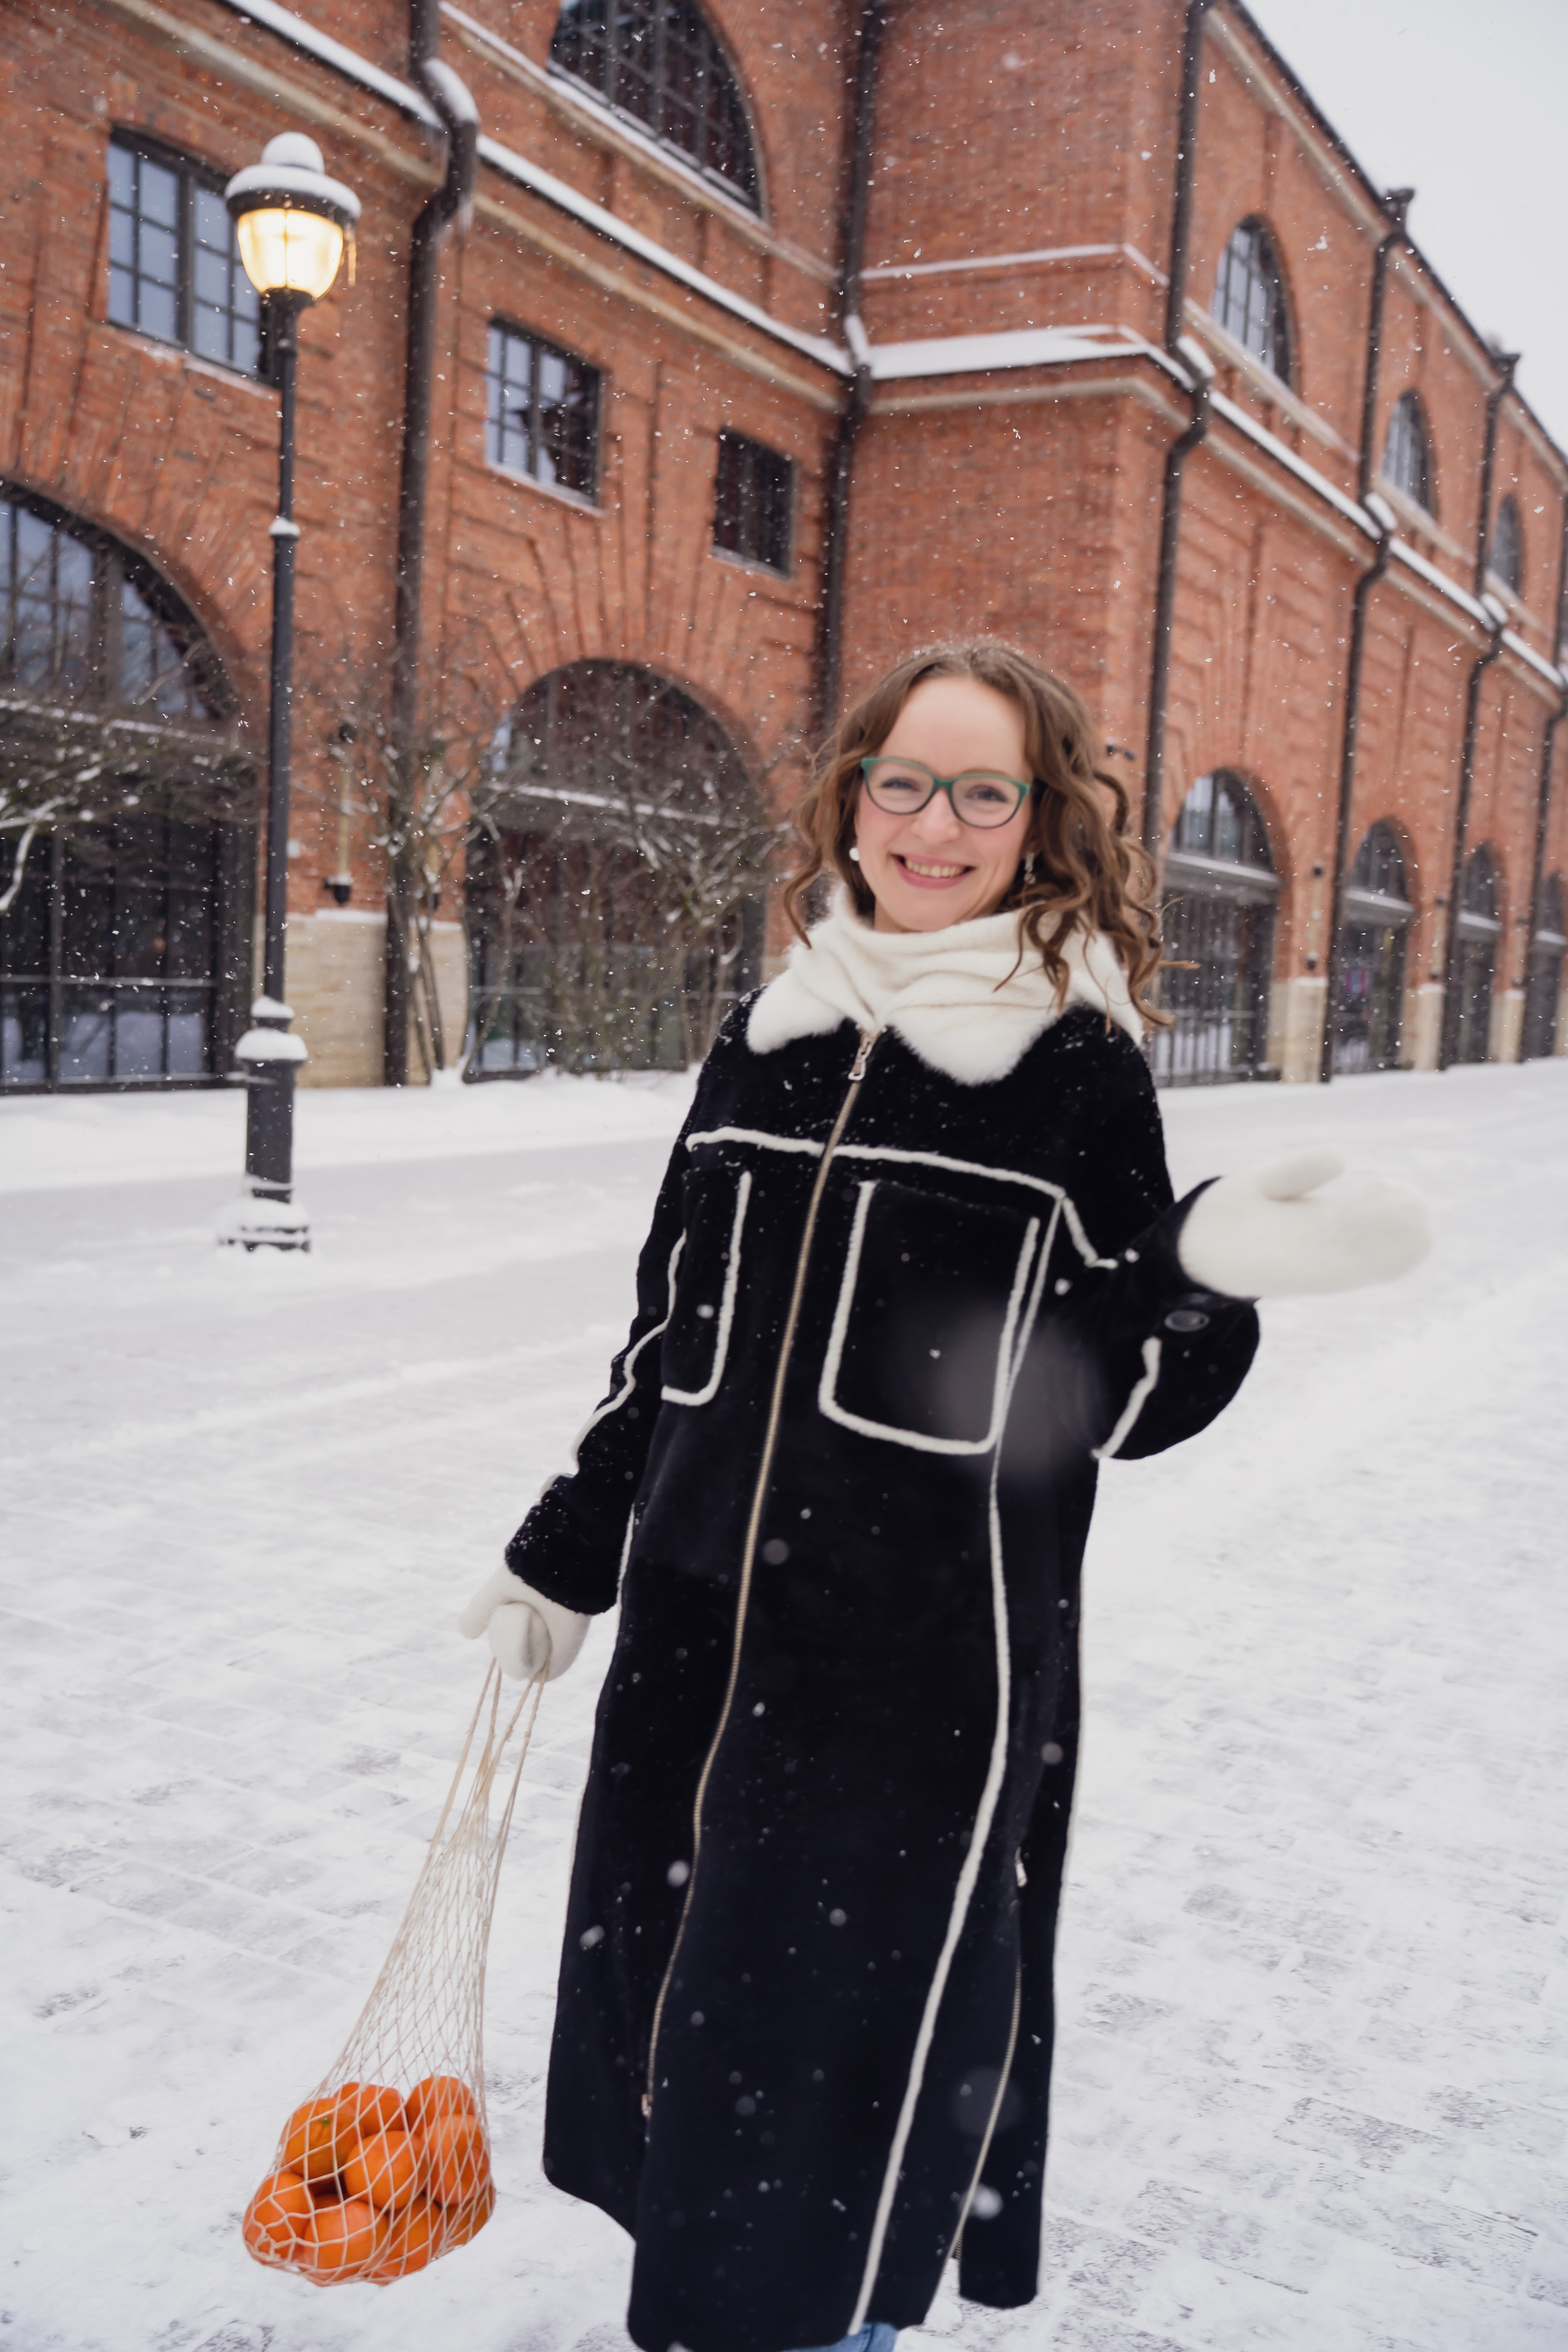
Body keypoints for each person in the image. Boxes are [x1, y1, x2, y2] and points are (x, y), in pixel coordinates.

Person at [459, 641, 1428, 2352]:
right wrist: (568, 1552)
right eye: (904, 780)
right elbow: (671, 1335)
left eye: (985, 791)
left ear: (1041, 820)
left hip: (908, 1694)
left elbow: (1118, 1399)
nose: (935, 823)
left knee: (838, 2106)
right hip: (692, 1657)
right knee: (689, 2061)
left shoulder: (1074, 1068)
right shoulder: (768, 1036)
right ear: (853, 798)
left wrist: (1204, 1271)